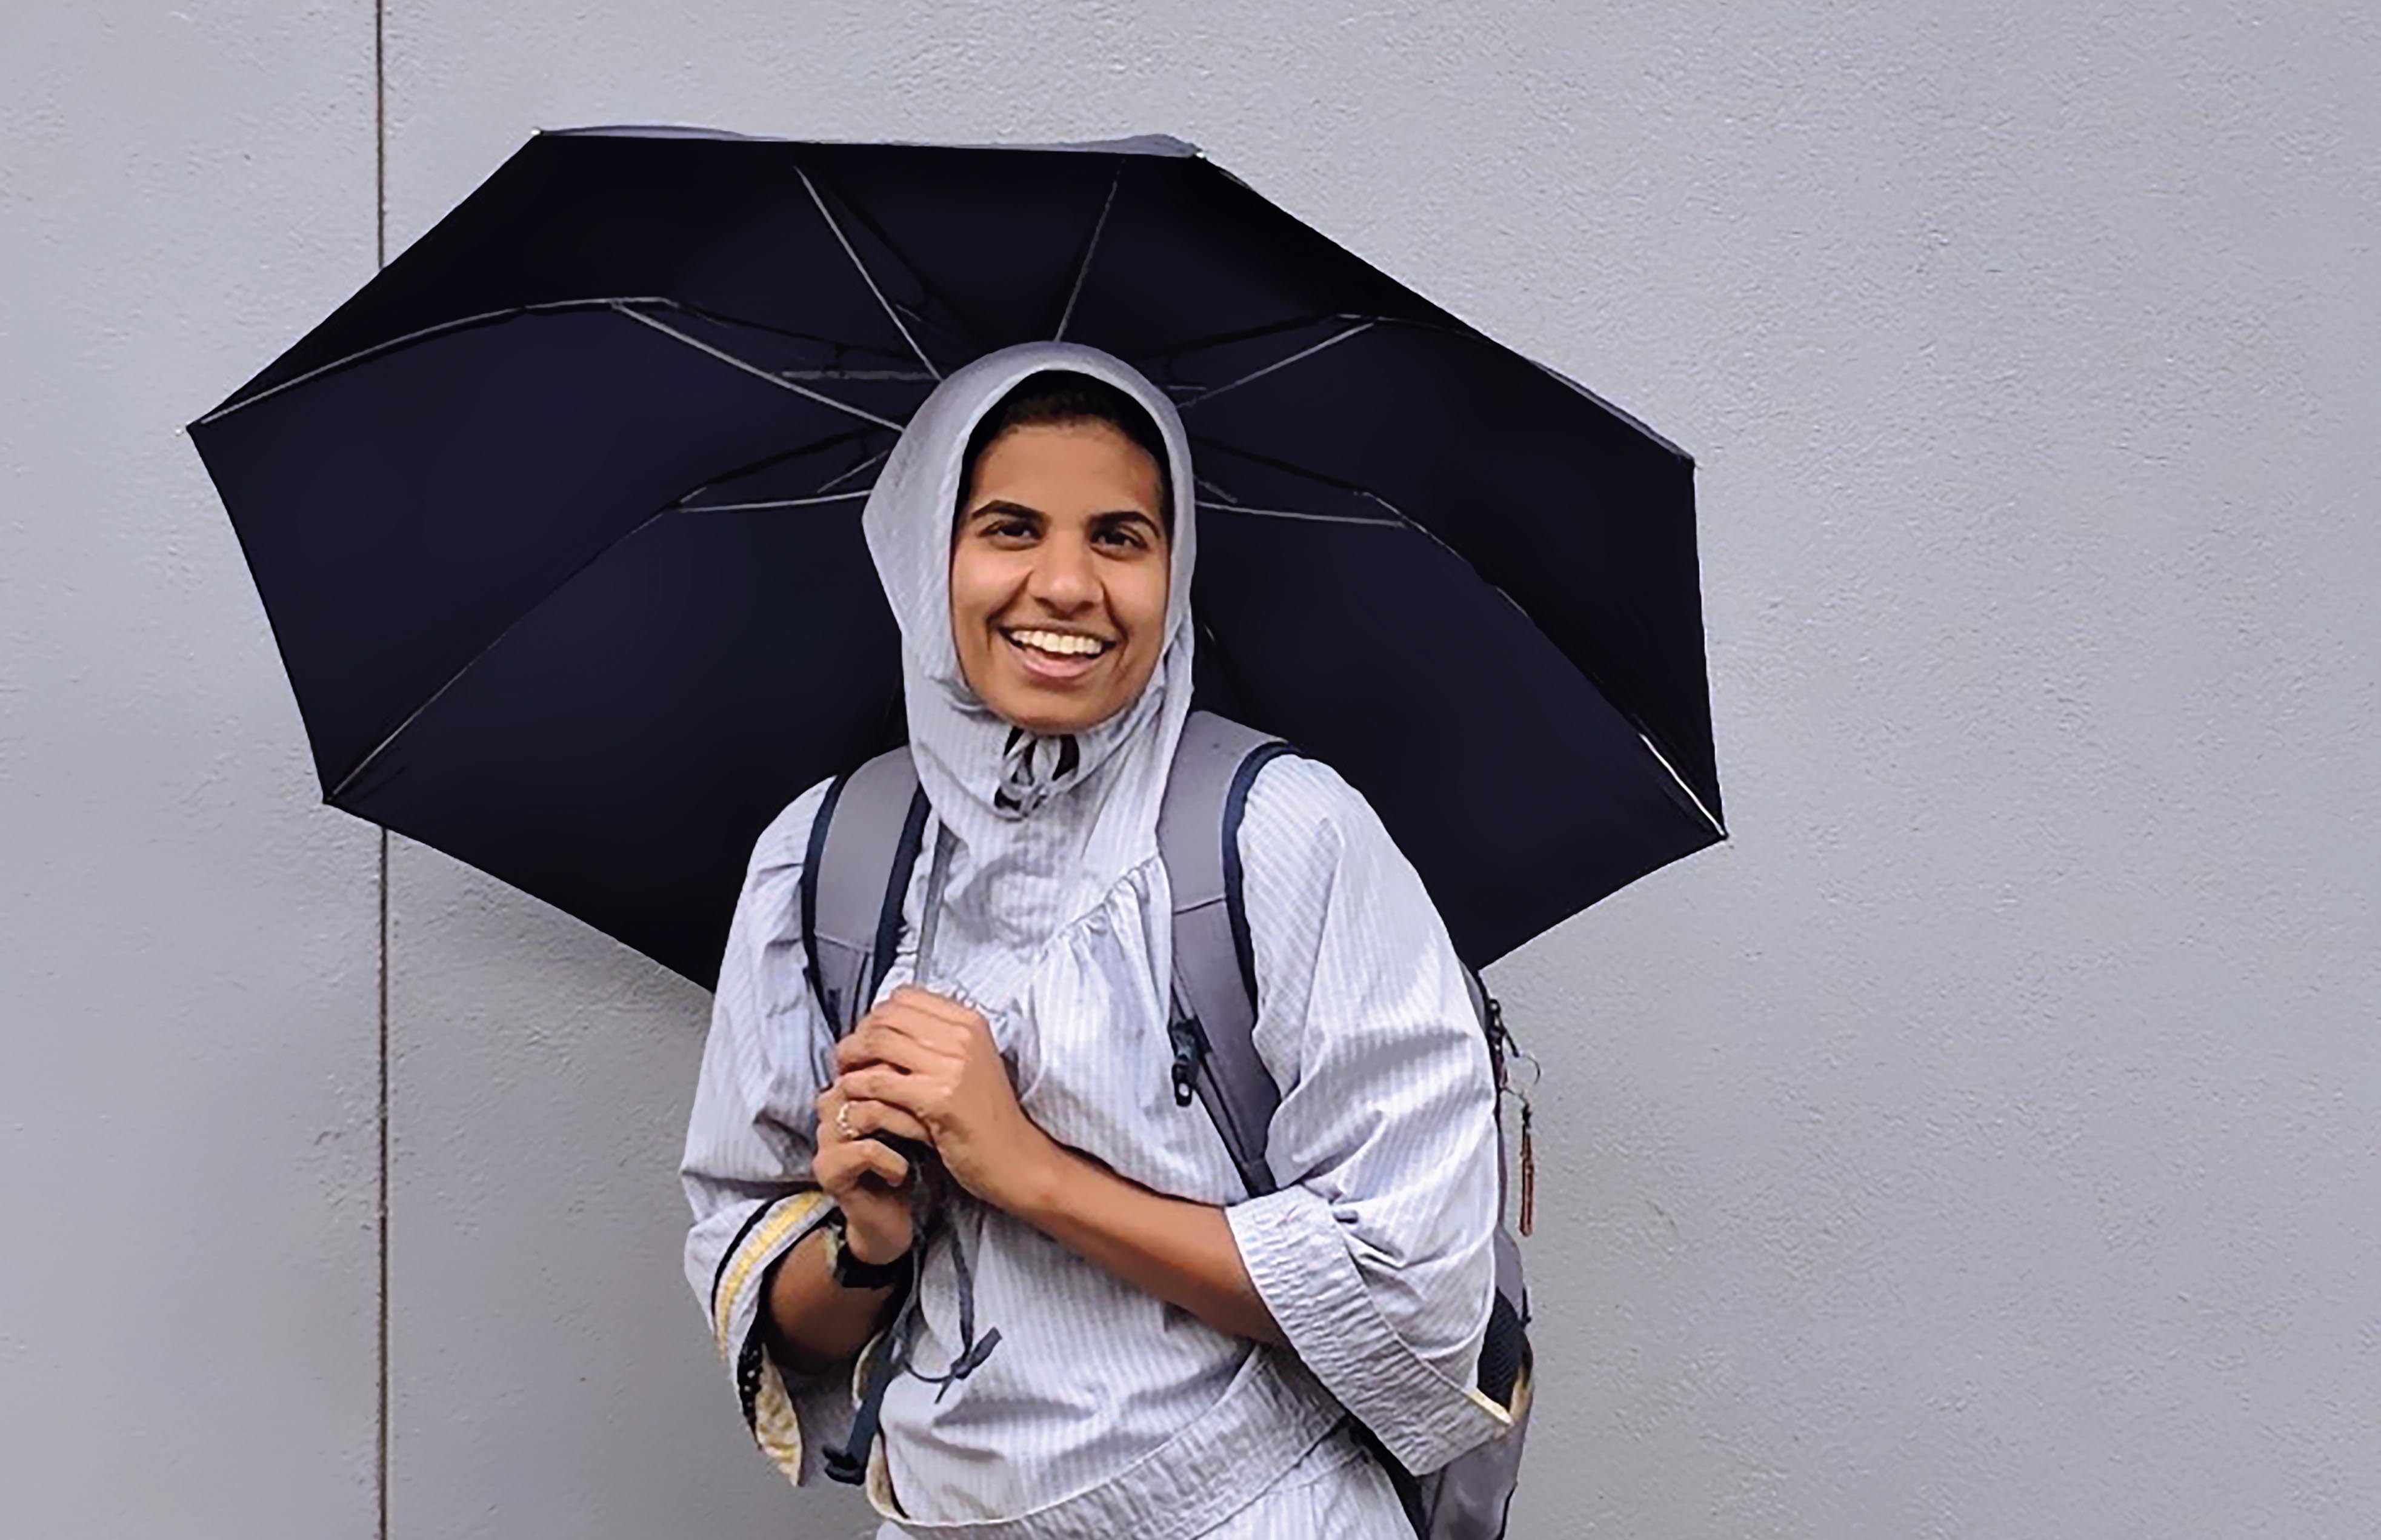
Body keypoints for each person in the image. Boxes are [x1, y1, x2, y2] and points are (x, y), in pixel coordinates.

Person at [681, 341, 1513, 1538]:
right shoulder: (828, 855)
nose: (1066, 585)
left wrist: (1026, 1169)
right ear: (928, 550)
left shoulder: (1281, 833)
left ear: (1173, 573)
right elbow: (772, 1296)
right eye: (1010, 527)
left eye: (1119, 535)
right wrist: (869, 1238)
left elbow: (1414, 1277)